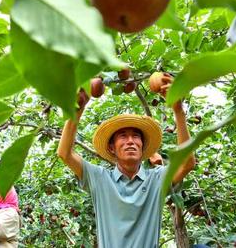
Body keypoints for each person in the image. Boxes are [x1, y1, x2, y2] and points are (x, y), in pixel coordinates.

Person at [57, 74, 196, 248]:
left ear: (142, 146)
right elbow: (64, 153)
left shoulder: (157, 179)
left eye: (136, 136)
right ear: (111, 148)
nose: (130, 141)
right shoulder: (99, 178)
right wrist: (77, 110)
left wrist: (178, 111)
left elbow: (187, 163)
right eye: (123, 136)